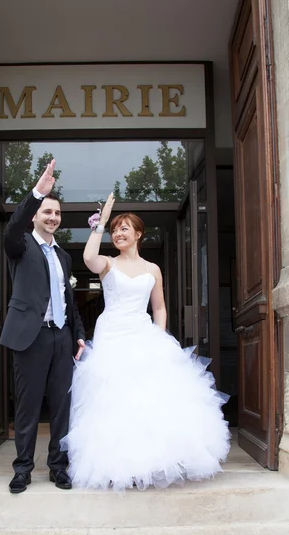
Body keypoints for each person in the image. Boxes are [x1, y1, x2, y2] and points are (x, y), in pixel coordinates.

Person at [61, 193, 230, 491]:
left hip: (142, 333)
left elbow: (160, 307)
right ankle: (114, 465)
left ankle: (147, 463)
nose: (118, 234)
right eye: (115, 230)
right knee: (113, 398)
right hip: (112, 333)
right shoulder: (107, 264)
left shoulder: (153, 269)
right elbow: (87, 258)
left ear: (138, 234)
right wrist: (102, 221)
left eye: (124, 228)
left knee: (146, 398)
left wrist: (158, 335)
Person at [0, 159, 85, 494]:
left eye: (57, 213)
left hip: (61, 338)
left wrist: (78, 335)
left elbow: (69, 301)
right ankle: (22, 470)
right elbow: (12, 228)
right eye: (47, 212)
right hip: (30, 338)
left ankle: (58, 467)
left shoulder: (63, 256)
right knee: (28, 406)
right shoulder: (20, 246)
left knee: (62, 407)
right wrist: (37, 192)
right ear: (35, 215)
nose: (53, 218)